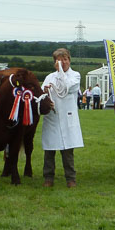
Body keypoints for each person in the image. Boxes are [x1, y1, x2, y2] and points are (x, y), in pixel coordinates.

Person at [40, 48, 84, 188]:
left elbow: (67, 87)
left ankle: (71, 179)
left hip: (67, 118)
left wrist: (60, 73)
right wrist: (46, 93)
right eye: (59, 60)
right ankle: (48, 178)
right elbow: (40, 96)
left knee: (67, 151)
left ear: (69, 60)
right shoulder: (49, 77)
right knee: (49, 151)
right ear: (55, 62)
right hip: (52, 118)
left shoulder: (75, 76)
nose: (63, 62)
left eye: (65, 59)